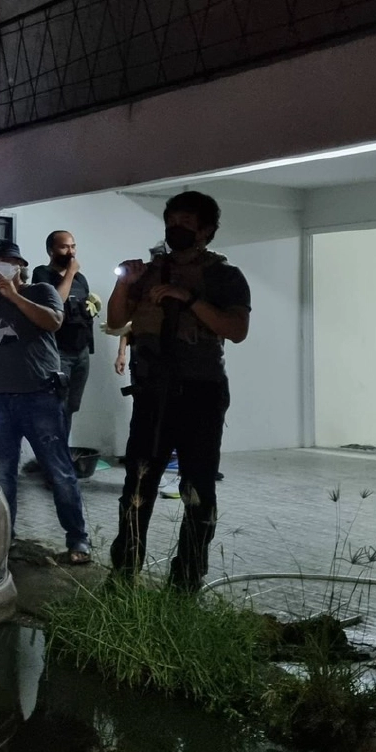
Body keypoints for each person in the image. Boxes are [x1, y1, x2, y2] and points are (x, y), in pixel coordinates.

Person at [106, 191, 251, 591]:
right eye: (172, 222)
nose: (176, 230)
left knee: (196, 489)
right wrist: (126, 285)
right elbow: (117, 321)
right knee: (137, 484)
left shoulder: (224, 276)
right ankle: (123, 574)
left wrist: (188, 299)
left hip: (200, 394)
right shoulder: (152, 271)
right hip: (152, 394)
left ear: (206, 230)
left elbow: (236, 330)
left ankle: (186, 579)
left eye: (186, 223)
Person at [0, 239, 91, 564]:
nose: (4, 266)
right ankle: (7, 538)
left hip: (40, 395)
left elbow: (53, 322)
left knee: (58, 470)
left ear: (21, 266)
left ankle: (78, 540)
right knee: (3, 473)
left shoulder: (42, 291)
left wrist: (14, 295)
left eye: (10, 261)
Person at [32, 231, 99, 447]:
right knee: (55, 407)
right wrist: (69, 274)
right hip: (58, 353)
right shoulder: (42, 274)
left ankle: (59, 457)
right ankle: (52, 462)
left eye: (73, 246)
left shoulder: (81, 279)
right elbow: (55, 304)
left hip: (81, 352)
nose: (71, 252)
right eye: (64, 247)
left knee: (70, 407)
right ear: (51, 250)